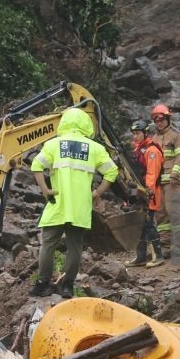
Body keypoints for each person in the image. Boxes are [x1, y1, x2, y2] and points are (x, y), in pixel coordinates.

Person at [30, 108, 119, 298]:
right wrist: (96, 193)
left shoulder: (54, 144)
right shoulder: (95, 148)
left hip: (57, 203)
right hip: (80, 206)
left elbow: (36, 165)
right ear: (86, 124)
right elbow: (112, 172)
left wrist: (45, 190)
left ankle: (42, 284)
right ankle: (68, 286)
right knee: (75, 246)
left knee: (48, 244)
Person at [124, 120, 165, 268]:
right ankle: (141, 256)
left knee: (148, 225)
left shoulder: (151, 151)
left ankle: (158, 256)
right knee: (140, 225)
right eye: (133, 134)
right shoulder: (139, 149)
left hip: (149, 194)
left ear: (145, 133)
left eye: (137, 134)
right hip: (140, 192)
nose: (135, 137)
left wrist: (148, 193)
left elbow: (151, 175)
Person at [151, 103, 180, 249]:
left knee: (175, 213)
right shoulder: (154, 138)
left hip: (172, 182)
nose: (158, 122)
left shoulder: (178, 136)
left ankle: (179, 245)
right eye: (156, 120)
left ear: (167, 118)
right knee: (160, 215)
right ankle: (165, 245)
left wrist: (175, 173)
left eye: (161, 119)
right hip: (158, 183)